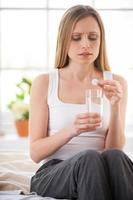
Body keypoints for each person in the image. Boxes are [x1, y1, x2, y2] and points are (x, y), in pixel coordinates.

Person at [29, 4, 133, 200]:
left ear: (101, 41)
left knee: (116, 157)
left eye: (93, 38)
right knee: (89, 157)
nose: (86, 44)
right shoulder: (45, 83)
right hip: (54, 172)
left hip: (100, 169)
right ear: (64, 40)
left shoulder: (116, 83)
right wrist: (72, 130)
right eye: (76, 38)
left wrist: (115, 106)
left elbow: (114, 150)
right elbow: (35, 153)